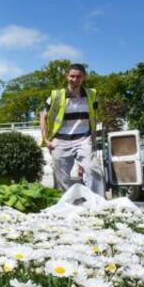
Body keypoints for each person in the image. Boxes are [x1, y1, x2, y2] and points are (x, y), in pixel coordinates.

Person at [39, 63, 103, 194]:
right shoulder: (56, 96)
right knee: (61, 179)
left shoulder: (91, 95)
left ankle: (97, 205)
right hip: (60, 141)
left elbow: (93, 118)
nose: (75, 80)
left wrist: (93, 142)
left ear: (84, 77)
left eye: (78, 77)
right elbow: (42, 116)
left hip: (83, 139)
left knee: (93, 170)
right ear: (67, 76)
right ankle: (63, 206)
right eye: (72, 76)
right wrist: (46, 139)